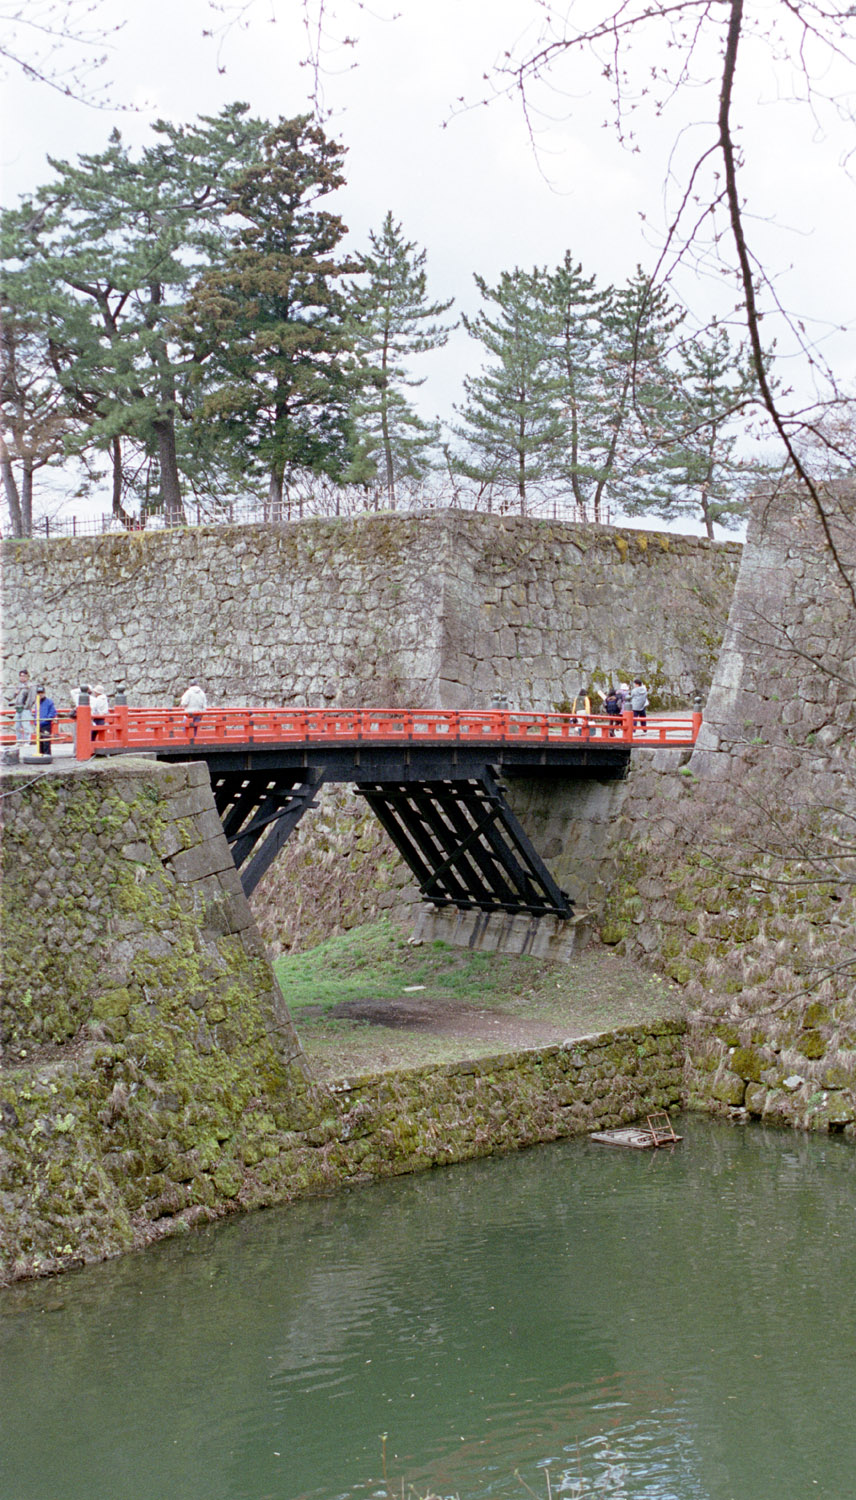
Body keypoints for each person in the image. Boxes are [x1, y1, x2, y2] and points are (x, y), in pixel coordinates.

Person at [13, 669, 36, 749]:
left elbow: (32, 698)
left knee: (26, 725)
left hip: (25, 708)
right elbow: (15, 696)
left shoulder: (30, 686)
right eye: (21, 676)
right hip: (18, 707)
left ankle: (27, 741)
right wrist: (15, 694)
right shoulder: (19, 685)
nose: (22, 677)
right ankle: (19, 740)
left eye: (24, 676)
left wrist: (26, 706)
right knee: (17, 725)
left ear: (27, 676)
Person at [34, 686, 57, 756]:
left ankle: (47, 755)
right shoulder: (37, 702)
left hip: (46, 724)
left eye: (42, 692)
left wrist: (47, 719)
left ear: (44, 693)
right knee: (39, 741)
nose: (40, 694)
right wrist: (35, 722)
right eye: (39, 693)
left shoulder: (49, 702)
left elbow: (52, 712)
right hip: (39, 724)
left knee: (46, 740)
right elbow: (36, 713)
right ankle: (41, 754)